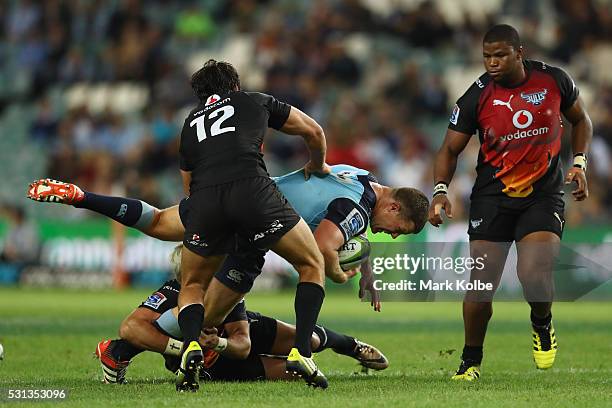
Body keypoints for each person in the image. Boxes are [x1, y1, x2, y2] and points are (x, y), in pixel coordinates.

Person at [428, 24, 592, 381]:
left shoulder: (554, 81)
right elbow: (449, 149)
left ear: (520, 53)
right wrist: (440, 190)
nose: (492, 63)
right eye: (487, 56)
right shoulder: (476, 96)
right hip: (491, 198)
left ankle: (542, 322)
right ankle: (470, 363)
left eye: (500, 55)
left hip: (543, 195)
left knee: (533, 274)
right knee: (481, 284)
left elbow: (581, 120)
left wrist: (579, 162)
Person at [27, 163, 429, 305]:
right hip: (260, 221)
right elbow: (326, 244)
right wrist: (341, 274)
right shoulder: (358, 209)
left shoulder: (360, 178)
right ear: (393, 207)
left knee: (159, 224)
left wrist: (368, 267)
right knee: (209, 302)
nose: (393, 236)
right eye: (399, 230)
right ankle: (187, 344)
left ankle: (81, 197)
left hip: (237, 193)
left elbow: (339, 212)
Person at [176, 59, 332, 391]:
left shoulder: (189, 123)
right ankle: (302, 352)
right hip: (252, 190)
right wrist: (319, 166)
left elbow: (187, 186)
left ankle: (190, 345)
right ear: (235, 86)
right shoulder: (253, 100)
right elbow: (313, 131)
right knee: (310, 262)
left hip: (205, 201)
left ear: (200, 95)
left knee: (191, 284)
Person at [94, 245, 389, 384]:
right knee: (294, 375)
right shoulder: (173, 293)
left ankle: (349, 345)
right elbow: (131, 326)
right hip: (217, 367)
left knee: (308, 341)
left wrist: (218, 344)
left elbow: (242, 343)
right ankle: (119, 352)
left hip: (231, 344)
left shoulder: (225, 292)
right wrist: (186, 349)